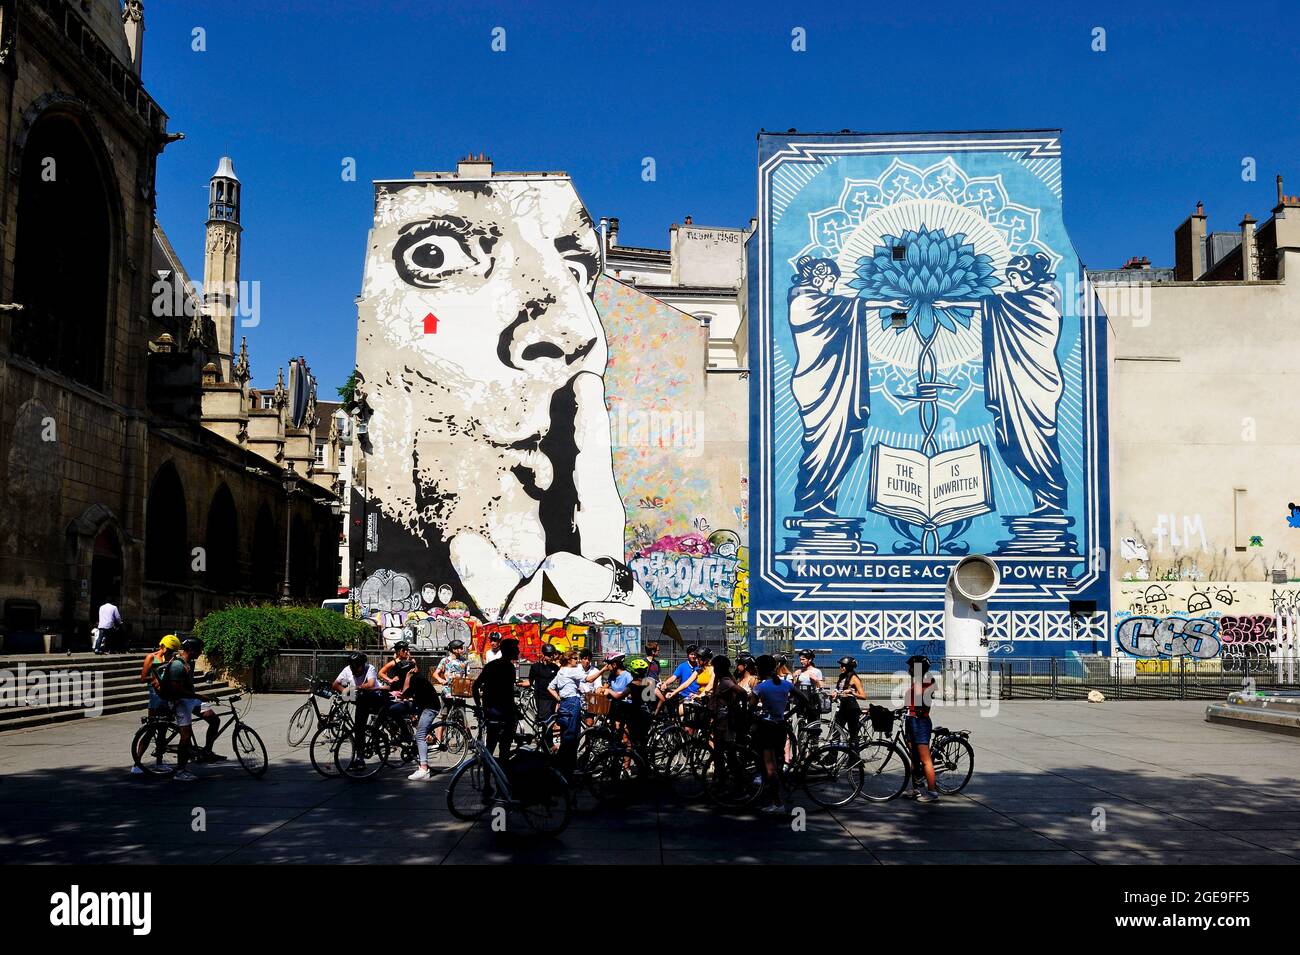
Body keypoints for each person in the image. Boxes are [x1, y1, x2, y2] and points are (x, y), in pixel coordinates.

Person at [751, 654, 793, 813]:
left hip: (766, 727)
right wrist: (785, 714)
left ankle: (777, 803)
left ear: (761, 669)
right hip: (781, 726)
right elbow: (802, 698)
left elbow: (751, 708)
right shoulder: (785, 685)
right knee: (778, 761)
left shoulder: (760, 687)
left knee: (770, 767)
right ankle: (782, 792)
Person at [132, 635, 179, 775]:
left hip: (167, 697)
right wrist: (155, 678)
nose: (170, 653)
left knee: (163, 731)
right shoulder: (151, 658)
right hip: (155, 697)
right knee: (151, 730)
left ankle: (159, 762)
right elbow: (143, 678)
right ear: (162, 646)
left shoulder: (172, 659)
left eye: (173, 651)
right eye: (169, 649)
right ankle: (137, 763)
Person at [473, 636, 521, 762]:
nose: (518, 651)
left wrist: (479, 707)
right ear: (510, 651)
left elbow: (475, 686)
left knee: (490, 746)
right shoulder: (510, 668)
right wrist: (515, 711)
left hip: (491, 712)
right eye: (516, 649)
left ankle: (488, 779)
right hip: (504, 713)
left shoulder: (490, 666)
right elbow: (508, 695)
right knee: (504, 749)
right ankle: (502, 777)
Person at [177, 637, 224, 763]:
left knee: (214, 720)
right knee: (185, 734)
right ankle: (184, 759)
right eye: (198, 650)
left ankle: (207, 751)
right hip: (182, 700)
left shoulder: (190, 663)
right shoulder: (178, 663)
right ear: (191, 650)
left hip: (192, 698)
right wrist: (199, 696)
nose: (200, 653)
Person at [333, 651, 384, 765]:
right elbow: (335, 684)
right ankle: (360, 753)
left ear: (362, 664)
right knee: (358, 727)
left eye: (357, 667)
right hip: (360, 697)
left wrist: (355, 688)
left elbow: (371, 684)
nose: (354, 670)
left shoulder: (369, 668)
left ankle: (361, 754)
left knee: (360, 725)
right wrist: (345, 692)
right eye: (352, 666)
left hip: (375, 696)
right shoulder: (347, 670)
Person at [904, 654, 939, 802]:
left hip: (920, 722)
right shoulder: (917, 682)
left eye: (911, 667)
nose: (909, 669)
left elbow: (922, 703)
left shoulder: (928, 681)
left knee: (925, 760)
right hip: (911, 720)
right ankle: (916, 788)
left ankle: (932, 793)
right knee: (914, 757)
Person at [547, 650, 586, 778]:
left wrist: (558, 698)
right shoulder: (572, 670)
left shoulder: (561, 671)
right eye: (575, 658)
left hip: (564, 703)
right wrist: (604, 670)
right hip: (573, 701)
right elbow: (589, 678)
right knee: (572, 735)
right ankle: (566, 767)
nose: (578, 660)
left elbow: (550, 687)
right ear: (569, 660)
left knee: (565, 734)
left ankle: (563, 766)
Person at [402, 670, 444, 781]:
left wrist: (407, 677)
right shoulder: (417, 678)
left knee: (420, 736)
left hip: (430, 708)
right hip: (423, 706)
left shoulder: (416, 679)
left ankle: (424, 769)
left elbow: (405, 693)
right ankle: (427, 736)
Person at [524, 643, 561, 731]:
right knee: (546, 721)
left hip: (552, 698)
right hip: (541, 698)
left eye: (552, 654)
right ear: (543, 654)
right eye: (548, 655)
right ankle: (548, 743)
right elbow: (530, 682)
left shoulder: (555, 668)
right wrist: (517, 684)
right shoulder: (535, 667)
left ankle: (546, 742)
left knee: (551, 721)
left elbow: (558, 684)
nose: (550, 657)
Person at [833, 656, 866, 745]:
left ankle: (854, 758)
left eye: (843, 666)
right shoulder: (841, 676)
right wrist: (835, 693)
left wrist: (852, 692)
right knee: (836, 732)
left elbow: (863, 696)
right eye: (840, 665)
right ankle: (832, 758)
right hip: (842, 707)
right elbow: (839, 689)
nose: (841, 668)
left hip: (852, 708)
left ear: (849, 667)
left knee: (853, 736)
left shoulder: (854, 678)